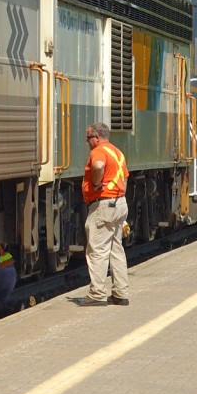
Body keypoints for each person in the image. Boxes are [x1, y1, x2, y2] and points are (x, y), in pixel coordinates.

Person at [78, 123, 130, 306]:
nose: (87, 142)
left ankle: (97, 294)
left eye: (88, 138)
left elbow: (98, 165)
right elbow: (124, 180)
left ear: (97, 137)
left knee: (97, 250)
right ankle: (120, 293)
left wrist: (96, 184)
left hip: (103, 205)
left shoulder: (99, 151)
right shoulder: (117, 152)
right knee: (116, 249)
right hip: (119, 203)